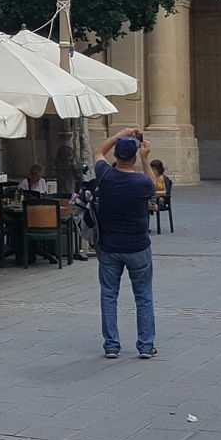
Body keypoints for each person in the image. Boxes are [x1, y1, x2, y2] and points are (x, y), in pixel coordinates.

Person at [91, 128, 159, 359]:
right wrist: (145, 159)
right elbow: (154, 185)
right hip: (138, 246)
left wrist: (119, 135)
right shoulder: (141, 182)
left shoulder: (105, 175)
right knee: (143, 296)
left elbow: (98, 151)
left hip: (109, 247)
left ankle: (111, 345)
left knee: (109, 295)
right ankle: (146, 345)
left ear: (116, 156)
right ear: (133, 157)